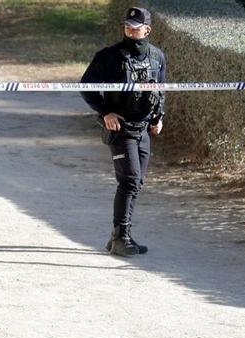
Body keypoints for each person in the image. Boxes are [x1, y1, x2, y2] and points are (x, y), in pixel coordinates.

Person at [80, 7, 167, 257]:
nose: (129, 30)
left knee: (135, 183)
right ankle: (121, 238)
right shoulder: (109, 56)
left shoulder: (157, 57)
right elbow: (86, 87)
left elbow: (161, 89)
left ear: (147, 30)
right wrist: (105, 112)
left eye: (135, 27)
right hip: (121, 130)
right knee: (128, 181)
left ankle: (118, 236)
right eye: (127, 26)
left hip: (143, 130)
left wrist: (158, 117)